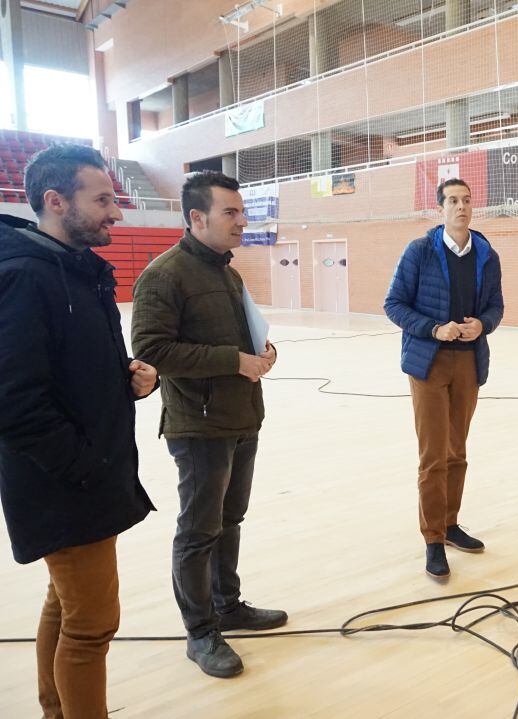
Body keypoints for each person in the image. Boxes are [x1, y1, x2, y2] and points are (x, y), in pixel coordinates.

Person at [0, 144, 156, 718]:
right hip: (65, 483)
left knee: (64, 604)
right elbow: (15, 402)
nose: (116, 212)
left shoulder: (79, 270)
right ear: (56, 201)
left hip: (85, 475)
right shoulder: (23, 277)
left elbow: (68, 367)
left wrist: (128, 377)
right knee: (91, 626)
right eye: (103, 200)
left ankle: (55, 710)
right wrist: (85, 468)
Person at [131, 171, 286, 679]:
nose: (242, 222)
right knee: (198, 531)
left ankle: (228, 606)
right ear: (197, 218)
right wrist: (233, 360)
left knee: (230, 519)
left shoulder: (228, 273)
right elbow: (152, 350)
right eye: (231, 213)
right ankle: (200, 632)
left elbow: (242, 338)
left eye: (242, 212)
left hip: (242, 417)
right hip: (198, 427)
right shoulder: (164, 275)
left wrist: (263, 352)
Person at [384, 178, 504, 580]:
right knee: (433, 456)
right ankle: (433, 538)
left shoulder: (486, 254)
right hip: (429, 363)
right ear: (441, 209)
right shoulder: (419, 251)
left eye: (466, 200)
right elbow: (393, 304)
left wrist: (482, 325)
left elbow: (496, 307)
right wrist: (434, 328)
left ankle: (451, 524)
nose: (461, 206)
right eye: (453, 200)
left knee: (457, 452)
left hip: (469, 363)